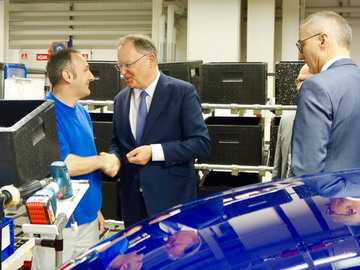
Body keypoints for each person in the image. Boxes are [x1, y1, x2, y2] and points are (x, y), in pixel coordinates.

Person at [109, 34, 211, 227]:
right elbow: (117, 142)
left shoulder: (182, 92)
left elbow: (201, 144)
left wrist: (154, 152)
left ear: (150, 59)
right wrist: (113, 157)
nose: (123, 72)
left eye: (128, 64)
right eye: (119, 66)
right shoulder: (120, 100)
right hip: (133, 205)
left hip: (172, 202)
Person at [32, 48, 120, 269]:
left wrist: (95, 209)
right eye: (86, 70)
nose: (91, 77)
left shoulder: (81, 112)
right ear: (67, 76)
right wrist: (104, 161)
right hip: (59, 223)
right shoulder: (45, 113)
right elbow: (65, 165)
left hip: (87, 221)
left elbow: (84, 161)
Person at [291, 11, 360, 176]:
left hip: (329, 200)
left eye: (302, 46)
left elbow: (306, 170)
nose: (300, 56)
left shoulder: (316, 87)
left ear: (322, 40)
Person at [272, 64, 313, 180]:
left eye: (305, 81)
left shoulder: (331, 123)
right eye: (299, 81)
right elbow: (278, 169)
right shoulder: (286, 120)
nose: (299, 87)